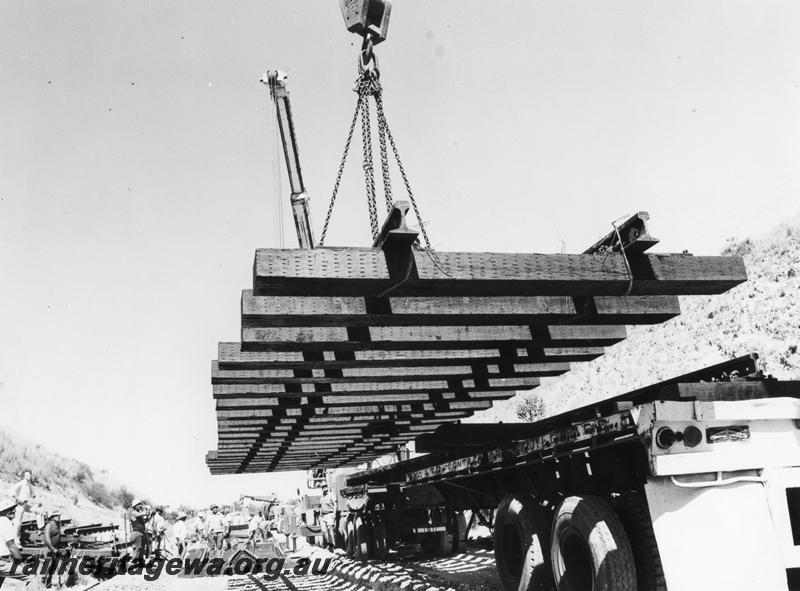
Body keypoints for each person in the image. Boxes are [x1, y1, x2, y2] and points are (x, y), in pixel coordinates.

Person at [0, 499, 31, 588]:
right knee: (31, 576)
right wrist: (22, 563)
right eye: (10, 509)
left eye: (14, 508)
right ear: (3, 511)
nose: (13, 510)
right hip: (2, 563)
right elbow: (11, 545)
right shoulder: (5, 521)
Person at [8, 471, 34, 544]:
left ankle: (41, 527)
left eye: (30, 474)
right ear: (23, 476)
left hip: (25, 504)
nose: (30, 476)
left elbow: (32, 494)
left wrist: (34, 497)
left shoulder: (28, 485)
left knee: (37, 510)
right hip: (20, 505)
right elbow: (11, 492)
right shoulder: (21, 483)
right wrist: (18, 500)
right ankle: (15, 539)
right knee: (17, 522)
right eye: (28, 475)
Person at [128, 498, 152, 564]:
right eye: (139, 505)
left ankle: (140, 563)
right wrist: (146, 511)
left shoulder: (139, 513)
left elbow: (144, 521)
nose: (140, 506)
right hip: (137, 533)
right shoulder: (134, 513)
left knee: (141, 549)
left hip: (141, 533)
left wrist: (150, 516)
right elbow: (143, 514)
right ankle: (132, 563)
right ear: (135, 506)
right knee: (137, 549)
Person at [42, 512, 61, 588]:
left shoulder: (57, 525)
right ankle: (41, 585)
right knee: (46, 567)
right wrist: (52, 548)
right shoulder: (49, 525)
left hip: (55, 549)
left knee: (53, 568)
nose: (59, 516)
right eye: (57, 515)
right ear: (52, 517)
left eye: (59, 515)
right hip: (49, 549)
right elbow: (47, 538)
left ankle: (48, 584)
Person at [319, 484, 336, 550]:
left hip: (330, 514)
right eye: (323, 487)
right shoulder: (322, 496)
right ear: (322, 488)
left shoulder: (331, 495)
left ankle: (333, 545)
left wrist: (334, 513)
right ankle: (329, 543)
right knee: (323, 530)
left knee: (330, 529)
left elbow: (335, 504)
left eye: (325, 486)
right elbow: (321, 506)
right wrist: (320, 515)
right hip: (323, 515)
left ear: (327, 487)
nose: (324, 487)